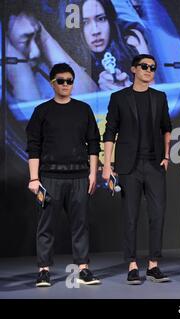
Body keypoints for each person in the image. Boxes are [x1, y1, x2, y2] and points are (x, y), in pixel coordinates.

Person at [26, 63, 101, 287]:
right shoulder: (42, 111)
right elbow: (33, 145)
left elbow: (94, 143)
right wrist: (33, 178)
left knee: (81, 224)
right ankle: (43, 271)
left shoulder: (83, 109)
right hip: (49, 178)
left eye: (69, 80)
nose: (66, 84)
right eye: (61, 80)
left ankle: (83, 270)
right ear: (52, 83)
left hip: (80, 176)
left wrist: (93, 173)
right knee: (46, 226)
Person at [103, 54, 172, 284]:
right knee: (130, 216)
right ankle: (132, 265)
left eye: (153, 67)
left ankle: (153, 265)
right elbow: (110, 132)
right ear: (133, 69)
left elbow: (166, 128)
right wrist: (107, 165)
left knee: (158, 214)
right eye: (144, 66)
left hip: (154, 164)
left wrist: (166, 155)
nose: (149, 70)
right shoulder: (119, 97)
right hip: (128, 166)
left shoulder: (160, 97)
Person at [6, 2, 97, 102]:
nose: (36, 52)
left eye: (36, 38)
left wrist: (45, 39)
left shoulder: (41, 69)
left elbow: (93, 100)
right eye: (26, 42)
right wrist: (20, 72)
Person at [75, 0, 150, 91]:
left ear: (110, 19)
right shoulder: (74, 58)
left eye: (101, 19)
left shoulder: (131, 40)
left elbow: (150, 86)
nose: (96, 31)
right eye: (85, 23)